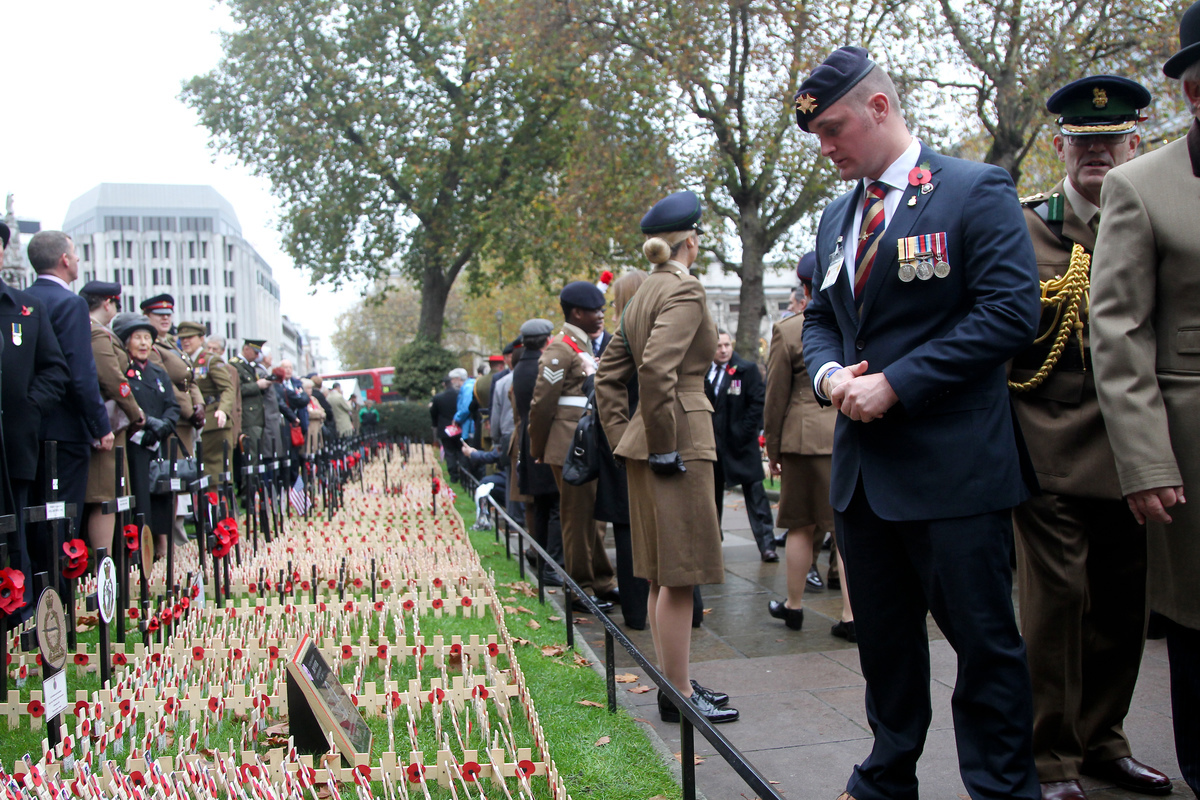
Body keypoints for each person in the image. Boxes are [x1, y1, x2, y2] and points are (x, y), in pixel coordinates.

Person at [796, 47, 1041, 799]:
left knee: (985, 649)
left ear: (880, 108)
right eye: (818, 137)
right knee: (887, 652)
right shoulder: (839, 214)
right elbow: (819, 320)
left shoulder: (974, 190)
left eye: (835, 128)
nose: (827, 148)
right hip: (866, 479)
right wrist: (832, 374)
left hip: (955, 473)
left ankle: (1002, 788)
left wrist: (898, 384)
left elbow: (1011, 310)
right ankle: (886, 777)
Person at [1009, 76, 1169, 800]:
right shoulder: (1026, 226)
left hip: (1138, 449)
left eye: (1111, 142)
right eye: (1083, 143)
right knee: (1056, 605)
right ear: (1060, 146)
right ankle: (1051, 758)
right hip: (1048, 446)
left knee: (1122, 603)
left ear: (1137, 142)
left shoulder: (1163, 217)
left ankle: (1104, 740)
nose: (1097, 154)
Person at [1090, 6, 1200, 793]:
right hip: (1191, 448)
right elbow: (1118, 331)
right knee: (1197, 627)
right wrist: (1145, 460)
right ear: (1195, 90)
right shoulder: (1142, 184)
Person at [596, 190, 736, 724]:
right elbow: (657, 370)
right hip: (677, 439)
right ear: (691, 243)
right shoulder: (684, 289)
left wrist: (624, 438)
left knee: (659, 574)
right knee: (679, 574)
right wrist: (661, 445)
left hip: (652, 438)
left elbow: (611, 376)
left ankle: (673, 684)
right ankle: (677, 693)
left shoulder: (639, 295)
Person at [763, 255, 851, 639]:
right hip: (844, 434)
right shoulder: (852, 324)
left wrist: (773, 450)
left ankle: (794, 606)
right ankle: (852, 614)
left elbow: (775, 398)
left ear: (804, 288)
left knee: (800, 526)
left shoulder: (790, 330)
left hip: (801, 440)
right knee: (846, 529)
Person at [529, 282, 618, 613]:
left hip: (586, 443)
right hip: (568, 447)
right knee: (577, 519)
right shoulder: (561, 349)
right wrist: (539, 447)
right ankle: (579, 587)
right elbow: (542, 405)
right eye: (596, 311)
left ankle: (602, 580)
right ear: (577, 313)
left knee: (593, 519)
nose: (601, 317)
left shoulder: (582, 344)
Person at [26, 231, 113, 548]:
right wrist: (99, 425)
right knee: (62, 521)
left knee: (31, 517)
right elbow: (80, 371)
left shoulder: (22, 301)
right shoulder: (70, 304)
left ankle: (32, 591)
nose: (77, 259)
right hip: (65, 430)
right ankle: (56, 596)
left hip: (28, 427)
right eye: (75, 253)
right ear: (64, 259)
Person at [0, 237, 69, 616]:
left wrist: (28, 408)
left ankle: (20, 620)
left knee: (15, 538)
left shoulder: (27, 308)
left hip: (14, 443)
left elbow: (54, 369)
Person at [593, 269, 652, 631]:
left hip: (625, 441)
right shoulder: (660, 332)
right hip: (657, 435)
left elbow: (606, 387)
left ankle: (636, 613)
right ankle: (690, 610)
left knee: (628, 532)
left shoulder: (621, 338)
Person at [80, 281, 145, 552]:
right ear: (107, 303)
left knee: (111, 497)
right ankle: (103, 568)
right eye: (116, 304)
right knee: (104, 497)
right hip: (103, 425)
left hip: (108, 425)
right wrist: (135, 411)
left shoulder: (95, 332)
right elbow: (112, 377)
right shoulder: (96, 334)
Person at [112, 312, 179, 560]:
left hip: (158, 442)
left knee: (161, 494)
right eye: (137, 338)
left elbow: (172, 404)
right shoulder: (124, 372)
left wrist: (164, 426)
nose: (143, 343)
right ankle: (138, 550)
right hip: (134, 443)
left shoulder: (159, 373)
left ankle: (161, 545)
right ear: (127, 342)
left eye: (147, 338)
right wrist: (146, 426)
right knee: (139, 497)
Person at [707, 330, 776, 562]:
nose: (724, 350)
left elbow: (758, 402)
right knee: (710, 498)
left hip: (741, 446)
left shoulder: (746, 370)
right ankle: (712, 542)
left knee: (756, 496)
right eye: (718, 345)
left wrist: (745, 432)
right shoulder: (703, 371)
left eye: (727, 345)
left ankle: (767, 544)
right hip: (713, 447)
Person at [142, 294, 203, 545]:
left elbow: (190, 379)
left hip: (185, 423)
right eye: (159, 314)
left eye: (168, 314)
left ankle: (177, 536)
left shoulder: (171, 345)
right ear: (147, 316)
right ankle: (167, 543)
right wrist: (191, 410)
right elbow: (166, 386)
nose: (166, 318)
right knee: (167, 483)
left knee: (179, 483)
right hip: (172, 423)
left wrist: (199, 403)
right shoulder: (151, 346)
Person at [511, 319, 565, 586]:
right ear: (547, 339)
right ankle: (553, 565)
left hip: (528, 439)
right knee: (554, 504)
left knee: (542, 505)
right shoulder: (541, 366)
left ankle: (545, 562)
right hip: (541, 440)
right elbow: (544, 407)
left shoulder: (521, 366)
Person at [177, 322, 236, 481]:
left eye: (190, 337)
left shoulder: (211, 361)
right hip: (192, 421)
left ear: (201, 338)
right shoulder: (182, 360)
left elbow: (228, 388)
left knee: (214, 473)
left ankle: (215, 504)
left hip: (212, 422)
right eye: (182, 338)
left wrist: (223, 410)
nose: (185, 341)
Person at [229, 339, 271, 467]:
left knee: (256, 456)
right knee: (250, 457)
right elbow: (237, 390)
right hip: (247, 417)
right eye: (255, 352)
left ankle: (254, 485)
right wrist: (257, 386)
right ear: (246, 349)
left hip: (256, 418)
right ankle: (249, 486)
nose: (258, 356)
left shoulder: (249, 366)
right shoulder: (235, 365)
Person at [430, 374, 464, 481]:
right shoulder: (459, 394)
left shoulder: (438, 398)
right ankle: (463, 473)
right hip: (458, 426)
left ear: (444, 384)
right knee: (461, 450)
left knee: (449, 452)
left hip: (445, 429)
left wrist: (435, 425)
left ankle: (453, 475)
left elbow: (433, 413)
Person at [303, 378, 326, 455]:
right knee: (309, 450)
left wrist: (318, 413)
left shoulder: (314, 399)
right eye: (308, 388)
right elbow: (309, 413)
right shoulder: (304, 399)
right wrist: (319, 414)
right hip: (309, 429)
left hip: (317, 428)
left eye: (311, 388)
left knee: (317, 451)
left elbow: (323, 412)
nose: (311, 390)